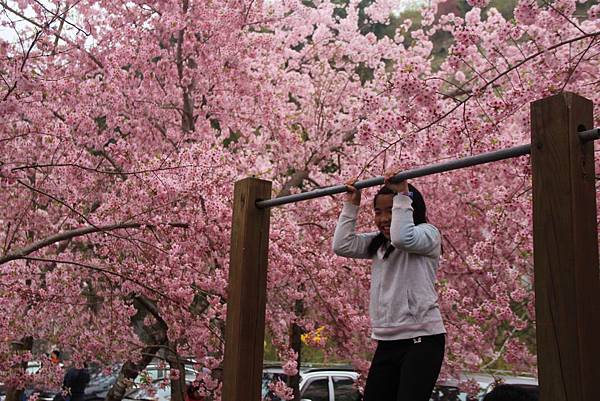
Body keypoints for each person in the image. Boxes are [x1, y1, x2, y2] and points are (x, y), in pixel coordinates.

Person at [333, 173, 445, 401]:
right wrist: (351, 205)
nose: (383, 218)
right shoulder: (379, 244)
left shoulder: (428, 235)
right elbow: (342, 245)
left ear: (408, 208)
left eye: (391, 210)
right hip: (387, 341)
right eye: (378, 212)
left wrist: (403, 195)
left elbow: (403, 238)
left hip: (421, 340)